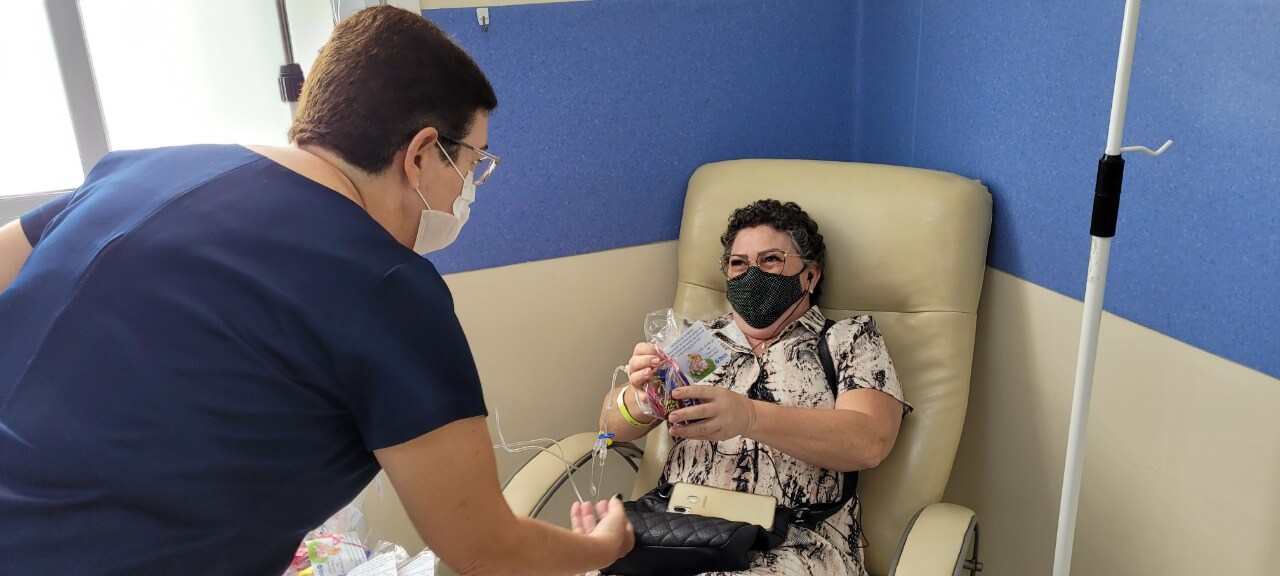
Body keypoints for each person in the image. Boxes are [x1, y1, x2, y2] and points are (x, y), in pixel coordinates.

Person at [0, 7, 630, 575]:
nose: (468, 189)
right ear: (420, 153)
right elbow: (487, 550)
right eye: (471, 163)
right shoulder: (386, 286)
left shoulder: (140, 170)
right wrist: (605, 547)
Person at [599, 200, 911, 576]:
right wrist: (642, 397)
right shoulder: (699, 343)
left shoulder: (847, 340)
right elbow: (610, 429)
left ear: (810, 276)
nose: (751, 273)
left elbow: (868, 442)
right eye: (738, 263)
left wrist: (749, 417)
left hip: (791, 544)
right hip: (676, 533)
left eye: (769, 260)